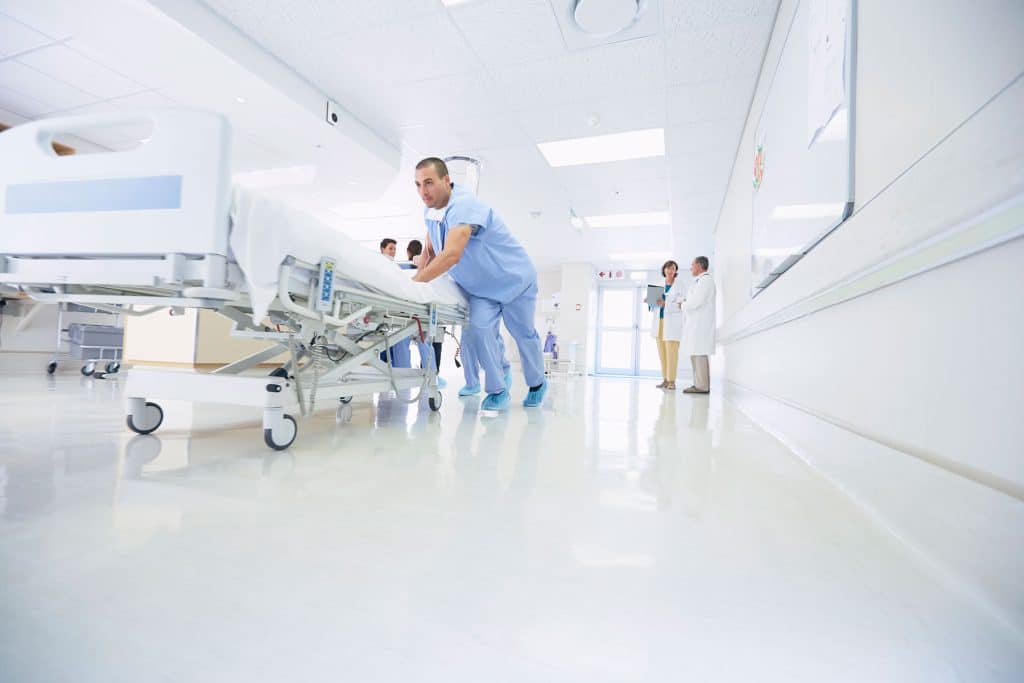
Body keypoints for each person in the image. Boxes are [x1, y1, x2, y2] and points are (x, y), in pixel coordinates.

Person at [411, 157, 546, 411]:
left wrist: (415, 284)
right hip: (482, 290)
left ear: (446, 180)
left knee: (523, 334)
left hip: (514, 279)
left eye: (428, 182)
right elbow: (429, 249)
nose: (423, 191)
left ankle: (537, 384)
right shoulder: (430, 211)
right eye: (417, 184)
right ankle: (497, 389)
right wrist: (416, 280)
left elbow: (451, 255)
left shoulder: (464, 207)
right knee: (478, 329)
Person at [679, 256, 717, 394]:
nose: (690, 268)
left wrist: (682, 304)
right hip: (696, 324)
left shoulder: (705, 281)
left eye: (692, 265)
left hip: (700, 325)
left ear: (700, 266)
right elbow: (694, 301)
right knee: (695, 353)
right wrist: (685, 303)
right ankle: (698, 384)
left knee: (699, 353)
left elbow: (696, 302)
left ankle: (702, 386)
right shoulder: (700, 281)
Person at [653, 260, 685, 390]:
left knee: (671, 352)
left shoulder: (681, 286)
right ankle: (665, 379)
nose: (670, 270)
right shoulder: (658, 285)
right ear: (664, 270)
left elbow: (681, 304)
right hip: (659, 322)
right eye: (667, 268)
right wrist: (650, 301)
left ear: (675, 271)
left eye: (672, 268)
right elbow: (654, 305)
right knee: (662, 352)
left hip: (672, 322)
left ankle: (672, 381)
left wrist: (665, 304)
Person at [378, 238, 411, 368]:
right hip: (384, 306)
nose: (393, 251)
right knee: (384, 345)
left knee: (391, 343)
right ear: (382, 249)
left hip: (393, 308)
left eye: (395, 249)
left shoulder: (394, 265)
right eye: (390, 248)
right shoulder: (380, 264)